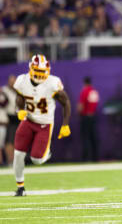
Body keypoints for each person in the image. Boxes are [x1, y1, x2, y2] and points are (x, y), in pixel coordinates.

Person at [13, 54, 71, 196]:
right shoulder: (22, 80)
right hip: (28, 121)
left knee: (37, 160)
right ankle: (20, 187)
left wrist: (65, 124)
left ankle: (47, 153)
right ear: (30, 69)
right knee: (18, 154)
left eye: (42, 71)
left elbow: (66, 102)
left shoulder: (52, 83)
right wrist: (20, 109)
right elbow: (20, 96)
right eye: (37, 71)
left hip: (44, 125)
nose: (39, 75)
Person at [78, 76, 99, 162]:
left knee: (86, 138)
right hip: (93, 117)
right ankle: (95, 157)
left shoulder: (85, 91)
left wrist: (79, 112)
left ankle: (86, 158)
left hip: (86, 117)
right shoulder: (94, 92)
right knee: (93, 137)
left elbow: (81, 106)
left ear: (84, 83)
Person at [1, 75, 17, 166]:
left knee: (17, 141)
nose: (13, 83)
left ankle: (16, 161)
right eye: (11, 81)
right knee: (9, 141)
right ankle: (10, 161)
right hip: (9, 117)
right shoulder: (4, 90)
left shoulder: (18, 91)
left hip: (18, 117)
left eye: (14, 81)